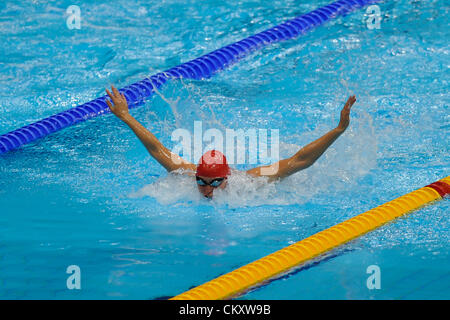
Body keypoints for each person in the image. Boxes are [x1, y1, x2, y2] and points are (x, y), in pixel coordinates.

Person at [106, 86, 356, 199]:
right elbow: (157, 149)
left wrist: (339, 129)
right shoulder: (188, 173)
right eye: (201, 182)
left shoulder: (250, 181)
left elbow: (300, 161)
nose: (207, 189)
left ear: (226, 178)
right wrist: (126, 116)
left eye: (214, 183)